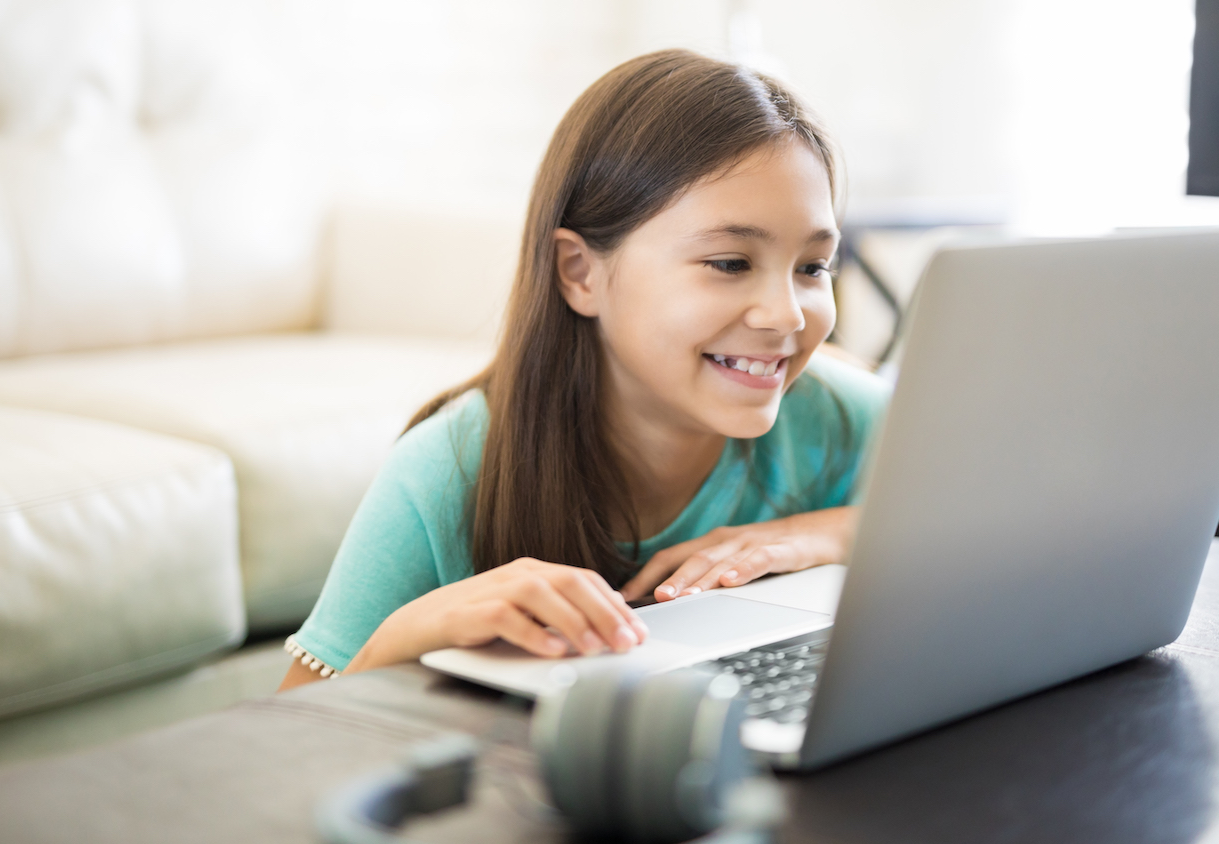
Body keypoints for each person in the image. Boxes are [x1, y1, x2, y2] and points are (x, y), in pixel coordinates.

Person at [279, 49, 890, 690]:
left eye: (813, 267)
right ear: (580, 273)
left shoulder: (848, 418)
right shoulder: (451, 470)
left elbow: (999, 536)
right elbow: (290, 744)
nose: (787, 316)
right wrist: (414, 630)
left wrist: (826, 534)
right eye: (730, 263)